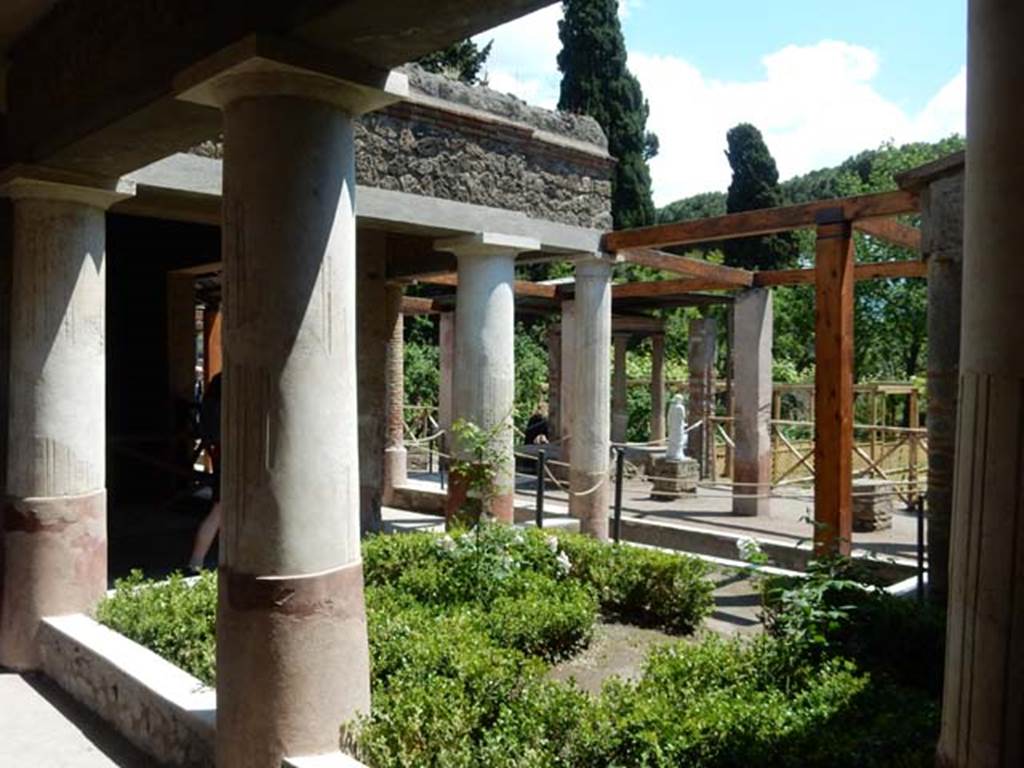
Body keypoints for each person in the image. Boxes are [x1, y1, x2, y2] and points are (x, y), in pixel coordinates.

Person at [189, 373, 221, 571]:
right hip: (233, 452)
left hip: (221, 450)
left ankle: (197, 562)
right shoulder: (229, 382)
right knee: (221, 510)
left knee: (221, 511)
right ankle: (195, 562)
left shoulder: (217, 382)